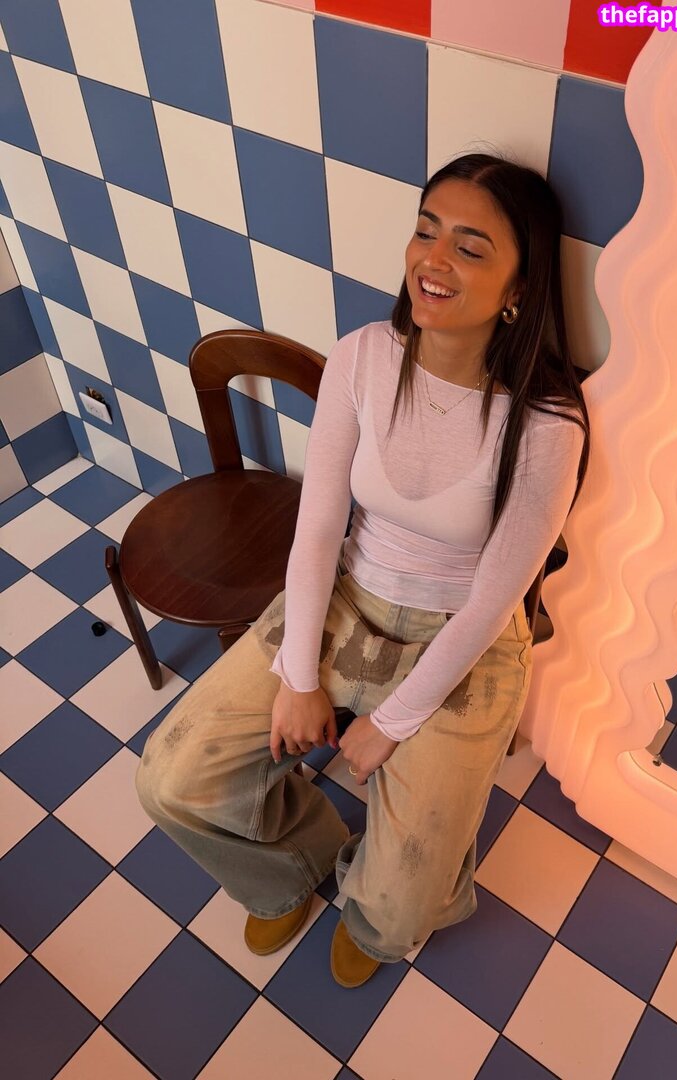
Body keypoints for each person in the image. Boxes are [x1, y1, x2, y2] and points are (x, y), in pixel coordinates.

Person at [135, 151, 590, 990]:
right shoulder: (363, 357)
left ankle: (377, 914)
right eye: (426, 232)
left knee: (403, 900)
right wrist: (300, 675)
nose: (433, 260)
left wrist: (391, 722)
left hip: (467, 638)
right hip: (350, 594)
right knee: (172, 779)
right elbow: (318, 530)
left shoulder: (547, 420)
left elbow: (496, 599)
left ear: (519, 290)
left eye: (471, 247)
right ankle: (296, 863)